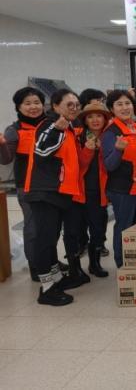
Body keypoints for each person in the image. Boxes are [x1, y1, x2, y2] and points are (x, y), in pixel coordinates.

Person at [23, 89, 82, 306]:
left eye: (77, 104)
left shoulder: (68, 127)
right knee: (45, 240)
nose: (74, 108)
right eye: (69, 104)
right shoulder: (50, 125)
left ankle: (56, 279)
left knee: (51, 238)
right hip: (45, 192)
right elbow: (41, 151)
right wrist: (57, 129)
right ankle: (46, 288)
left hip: (58, 192)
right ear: (56, 106)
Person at [101, 90, 136, 268]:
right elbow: (109, 165)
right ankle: (122, 265)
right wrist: (118, 150)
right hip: (124, 189)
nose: (125, 107)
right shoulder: (111, 132)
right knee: (124, 227)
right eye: (119, 104)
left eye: (127, 103)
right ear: (111, 109)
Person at [0, 87, 47, 281]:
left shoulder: (51, 125)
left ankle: (49, 261)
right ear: (18, 107)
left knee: (50, 226)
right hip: (27, 186)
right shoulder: (14, 130)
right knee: (33, 226)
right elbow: (6, 159)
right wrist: (2, 145)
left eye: (36, 102)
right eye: (27, 103)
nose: (33, 107)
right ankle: (35, 265)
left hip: (52, 184)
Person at [65, 102, 111, 278]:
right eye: (90, 117)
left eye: (99, 116)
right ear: (84, 120)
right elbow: (78, 166)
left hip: (99, 194)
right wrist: (88, 150)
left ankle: (95, 264)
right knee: (74, 232)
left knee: (98, 231)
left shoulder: (110, 137)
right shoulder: (77, 136)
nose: (95, 120)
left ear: (105, 119)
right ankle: (75, 268)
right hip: (78, 193)